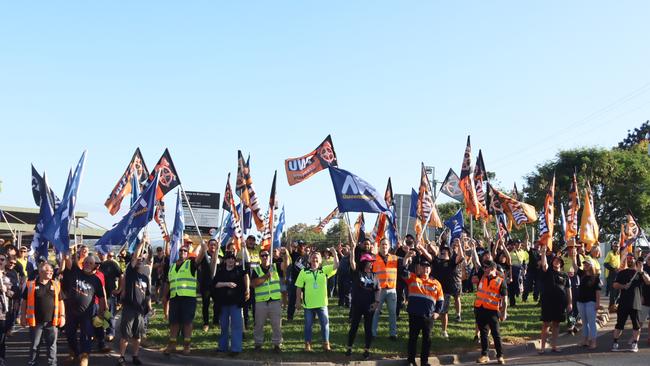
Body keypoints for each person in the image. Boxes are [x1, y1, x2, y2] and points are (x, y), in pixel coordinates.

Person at [61, 251, 107, 366]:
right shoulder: (75, 272)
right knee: (70, 334)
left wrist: (101, 313)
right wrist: (66, 253)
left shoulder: (96, 280)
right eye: (86, 262)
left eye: (90, 263)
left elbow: (101, 297)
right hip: (71, 312)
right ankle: (76, 353)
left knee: (86, 336)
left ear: (94, 266)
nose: (87, 264)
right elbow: (68, 260)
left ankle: (84, 356)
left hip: (87, 314)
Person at [401, 248, 444, 366]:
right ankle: (411, 360)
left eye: (427, 267)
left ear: (430, 269)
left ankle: (424, 362)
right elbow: (403, 271)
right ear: (419, 268)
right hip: (414, 314)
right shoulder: (413, 278)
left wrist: (437, 312)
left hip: (428, 316)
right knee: (413, 338)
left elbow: (440, 300)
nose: (425, 269)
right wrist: (406, 257)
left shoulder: (436, 283)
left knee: (427, 340)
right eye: (423, 267)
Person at [164, 239, 207, 356]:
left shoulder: (191, 264)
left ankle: (186, 345)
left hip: (188, 298)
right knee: (174, 322)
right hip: (174, 297)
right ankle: (172, 344)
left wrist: (203, 248)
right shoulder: (172, 267)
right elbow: (168, 283)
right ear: (178, 252)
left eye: (185, 251)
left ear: (187, 254)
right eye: (181, 250)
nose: (182, 252)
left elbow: (200, 258)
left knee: (187, 322)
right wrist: (164, 297)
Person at [21, 261, 65, 366]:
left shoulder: (56, 284)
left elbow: (61, 301)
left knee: (52, 345)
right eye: (47, 270)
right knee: (35, 345)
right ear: (40, 272)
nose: (50, 272)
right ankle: (33, 363)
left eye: (51, 271)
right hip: (36, 322)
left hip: (52, 321)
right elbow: (24, 301)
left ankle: (52, 364)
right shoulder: (31, 284)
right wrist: (22, 316)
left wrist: (62, 316)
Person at [116, 239, 152, 366]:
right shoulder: (130, 273)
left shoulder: (145, 277)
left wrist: (150, 308)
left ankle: (135, 356)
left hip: (140, 311)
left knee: (138, 336)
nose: (139, 261)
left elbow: (147, 295)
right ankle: (121, 357)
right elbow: (135, 256)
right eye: (138, 259)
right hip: (129, 308)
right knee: (126, 335)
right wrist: (142, 243)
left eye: (142, 260)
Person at [295, 247, 339, 352]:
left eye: (317, 259)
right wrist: (298, 301)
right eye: (313, 259)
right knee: (308, 326)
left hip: (322, 304)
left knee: (325, 324)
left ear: (320, 261)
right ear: (309, 260)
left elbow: (336, 265)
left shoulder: (324, 270)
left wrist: (334, 253)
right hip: (308, 305)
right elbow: (298, 287)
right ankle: (307, 345)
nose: (314, 261)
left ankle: (326, 344)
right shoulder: (303, 272)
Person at [251, 247, 289, 352]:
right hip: (261, 302)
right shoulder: (256, 270)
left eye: (266, 255)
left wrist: (285, 255)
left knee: (276, 324)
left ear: (269, 256)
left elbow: (286, 266)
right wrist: (266, 276)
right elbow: (253, 284)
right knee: (259, 324)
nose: (264, 257)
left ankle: (277, 344)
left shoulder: (275, 267)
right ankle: (258, 344)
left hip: (275, 301)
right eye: (262, 255)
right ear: (260, 257)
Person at [346, 251, 380, 359]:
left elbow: (378, 290)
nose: (371, 263)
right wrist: (352, 249)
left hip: (369, 306)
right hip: (357, 305)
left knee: (368, 328)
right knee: (354, 327)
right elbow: (352, 262)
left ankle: (366, 350)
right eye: (369, 261)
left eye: (372, 262)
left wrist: (376, 303)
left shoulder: (374, 275)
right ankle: (349, 348)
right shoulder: (357, 272)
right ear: (364, 262)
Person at [214, 251, 248, 356]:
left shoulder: (239, 270)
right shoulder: (220, 271)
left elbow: (247, 272)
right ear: (225, 260)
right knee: (224, 326)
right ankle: (222, 347)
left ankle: (236, 348)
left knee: (236, 326)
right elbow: (215, 284)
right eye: (228, 258)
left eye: (232, 258)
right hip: (223, 304)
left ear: (235, 261)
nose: (230, 260)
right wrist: (227, 284)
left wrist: (243, 247)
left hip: (236, 303)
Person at [611, 253, 647, 352]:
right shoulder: (622, 273)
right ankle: (615, 342)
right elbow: (614, 285)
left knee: (636, 325)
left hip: (636, 303)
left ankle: (635, 343)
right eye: (628, 259)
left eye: (631, 258)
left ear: (635, 260)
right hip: (623, 302)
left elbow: (648, 281)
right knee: (619, 324)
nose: (629, 260)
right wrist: (623, 286)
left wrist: (642, 271)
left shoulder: (640, 273)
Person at [539, 246, 572, 353]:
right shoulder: (548, 271)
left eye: (559, 261)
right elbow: (544, 265)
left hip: (560, 303)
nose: (557, 262)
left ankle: (554, 346)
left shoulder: (565, 275)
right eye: (555, 260)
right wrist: (543, 253)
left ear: (562, 264)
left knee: (556, 324)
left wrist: (570, 303)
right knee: (546, 324)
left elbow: (568, 290)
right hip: (548, 302)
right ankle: (543, 347)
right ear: (552, 261)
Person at [474, 259, 507, 365]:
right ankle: (484, 355)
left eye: (486, 268)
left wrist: (504, 312)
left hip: (492, 310)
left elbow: (504, 299)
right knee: (483, 333)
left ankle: (500, 356)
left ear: (493, 268)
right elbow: (476, 262)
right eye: (484, 268)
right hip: (480, 308)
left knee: (496, 334)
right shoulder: (483, 277)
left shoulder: (500, 281)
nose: (484, 269)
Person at [431, 241, 463, 339]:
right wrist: (421, 246)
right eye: (442, 251)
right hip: (433, 291)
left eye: (445, 251)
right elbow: (428, 254)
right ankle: (429, 329)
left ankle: (444, 331)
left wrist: (460, 245)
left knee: (444, 312)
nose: (443, 252)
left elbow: (461, 257)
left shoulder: (452, 262)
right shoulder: (436, 261)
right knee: (430, 311)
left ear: (449, 254)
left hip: (446, 292)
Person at [570, 250, 601, 349]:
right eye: (584, 264)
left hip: (591, 302)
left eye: (587, 264)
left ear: (591, 265)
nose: (585, 265)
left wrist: (598, 303)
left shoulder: (596, 278)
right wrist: (574, 256)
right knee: (584, 322)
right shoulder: (582, 274)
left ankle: (594, 341)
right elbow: (575, 266)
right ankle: (585, 340)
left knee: (591, 322)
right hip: (581, 302)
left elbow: (598, 292)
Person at [371, 238, 399, 340]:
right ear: (379, 246)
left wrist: (408, 256)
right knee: (376, 311)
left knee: (392, 313)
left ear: (389, 246)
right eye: (382, 244)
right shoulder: (373, 258)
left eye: (386, 244)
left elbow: (405, 263)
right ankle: (373, 333)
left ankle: (393, 334)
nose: (384, 246)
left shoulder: (395, 258)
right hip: (378, 290)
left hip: (391, 289)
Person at [99, 251, 122, 342]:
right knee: (101, 314)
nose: (102, 255)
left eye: (103, 253)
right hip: (98, 294)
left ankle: (111, 333)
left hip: (110, 293)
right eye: (100, 253)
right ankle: (103, 331)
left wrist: (119, 290)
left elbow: (121, 276)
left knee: (110, 314)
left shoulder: (112, 264)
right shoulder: (96, 264)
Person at [198, 239, 219, 332]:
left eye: (215, 245)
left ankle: (215, 321)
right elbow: (197, 261)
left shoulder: (219, 256)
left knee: (218, 304)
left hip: (216, 285)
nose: (213, 246)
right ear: (208, 245)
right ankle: (206, 323)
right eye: (211, 244)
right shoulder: (204, 255)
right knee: (205, 304)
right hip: (205, 284)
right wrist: (202, 248)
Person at [0, 250, 18, 363]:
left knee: (1, 340)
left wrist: (6, 291)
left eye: (2, 259)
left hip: (2, 313)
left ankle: (1, 360)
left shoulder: (9, 275)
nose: (0, 261)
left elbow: (15, 293)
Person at [287, 240, 308, 321]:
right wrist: (289, 240)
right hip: (295, 280)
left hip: (305, 280)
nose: (302, 247)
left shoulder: (307, 255)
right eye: (300, 245)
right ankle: (289, 317)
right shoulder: (294, 254)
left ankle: (309, 315)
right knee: (292, 299)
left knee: (307, 298)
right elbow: (289, 249)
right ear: (298, 246)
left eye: (303, 245)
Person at [603, 243, 621, 312]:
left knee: (618, 292)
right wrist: (613, 269)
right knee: (613, 292)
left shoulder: (618, 254)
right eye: (615, 246)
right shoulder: (609, 253)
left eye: (617, 246)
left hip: (617, 274)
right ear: (612, 247)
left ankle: (614, 305)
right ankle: (611, 307)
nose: (616, 247)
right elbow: (605, 264)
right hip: (611, 275)